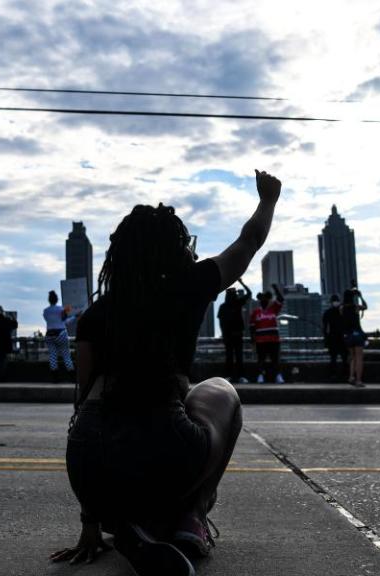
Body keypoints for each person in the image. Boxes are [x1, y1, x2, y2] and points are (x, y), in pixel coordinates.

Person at [51, 169, 281, 575]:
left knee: (103, 425)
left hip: (90, 461)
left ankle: (127, 523)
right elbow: (249, 242)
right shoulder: (191, 283)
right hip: (164, 446)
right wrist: (268, 200)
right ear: (177, 248)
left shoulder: (96, 314)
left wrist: (89, 525)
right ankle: (189, 517)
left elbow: (81, 403)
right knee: (221, 391)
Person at [216, 279, 251, 384]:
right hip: (230, 335)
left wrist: (242, 283)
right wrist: (224, 335)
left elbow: (249, 293)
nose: (234, 295)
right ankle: (230, 376)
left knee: (237, 356)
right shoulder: (227, 306)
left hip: (236, 334)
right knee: (231, 356)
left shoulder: (236, 303)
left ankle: (238, 376)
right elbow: (221, 323)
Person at [250, 283, 285, 384]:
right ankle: (260, 376)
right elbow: (252, 327)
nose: (264, 301)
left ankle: (278, 376)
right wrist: (253, 339)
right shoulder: (255, 313)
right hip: (260, 340)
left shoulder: (273, 309)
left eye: (266, 299)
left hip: (274, 339)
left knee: (275, 359)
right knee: (261, 360)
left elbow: (281, 299)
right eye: (262, 299)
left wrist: (275, 289)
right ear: (260, 301)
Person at [43, 291, 77, 383]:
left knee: (53, 356)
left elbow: (49, 320)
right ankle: (73, 377)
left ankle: (55, 378)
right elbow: (65, 322)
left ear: (49, 300)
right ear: (57, 299)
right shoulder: (61, 309)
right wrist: (75, 317)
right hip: (61, 334)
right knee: (66, 356)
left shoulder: (45, 311)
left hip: (49, 335)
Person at [342, 286, 368, 387]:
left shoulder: (342, 308)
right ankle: (358, 380)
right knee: (359, 358)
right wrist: (360, 296)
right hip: (357, 334)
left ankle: (351, 377)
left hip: (348, 335)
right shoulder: (356, 307)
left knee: (352, 357)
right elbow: (365, 306)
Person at [322, 294, 348, 382]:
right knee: (343, 358)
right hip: (340, 338)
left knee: (334, 358)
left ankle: (333, 375)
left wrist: (326, 339)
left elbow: (325, 328)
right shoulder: (342, 312)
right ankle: (343, 375)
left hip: (333, 338)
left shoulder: (328, 313)